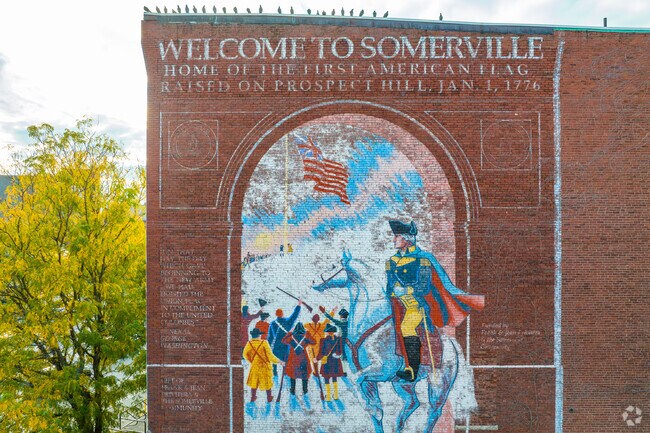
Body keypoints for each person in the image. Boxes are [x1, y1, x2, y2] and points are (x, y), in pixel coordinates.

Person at [386, 219, 485, 381]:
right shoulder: (392, 261)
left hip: (416, 305)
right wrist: (393, 291)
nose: (394, 240)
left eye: (397, 236)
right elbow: (389, 284)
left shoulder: (422, 259)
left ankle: (412, 370)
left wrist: (406, 290)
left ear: (406, 239)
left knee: (407, 327)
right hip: (397, 304)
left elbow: (424, 286)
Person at [243, 328, 283, 403]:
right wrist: (279, 361)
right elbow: (270, 356)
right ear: (259, 335)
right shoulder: (264, 343)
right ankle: (269, 397)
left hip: (255, 366)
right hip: (264, 367)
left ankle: (253, 397)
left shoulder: (249, 343)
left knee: (254, 382)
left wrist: (252, 361)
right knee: (267, 382)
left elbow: (245, 354)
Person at [281, 322, 315, 398]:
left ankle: (292, 390)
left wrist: (290, 333)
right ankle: (305, 390)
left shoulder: (291, 337)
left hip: (293, 358)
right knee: (304, 374)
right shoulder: (305, 336)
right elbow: (314, 342)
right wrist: (308, 334)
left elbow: (283, 341)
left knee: (293, 374)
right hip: (303, 358)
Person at [268, 301, 302, 375]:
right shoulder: (287, 321)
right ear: (282, 314)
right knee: (286, 358)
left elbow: (270, 337)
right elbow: (294, 315)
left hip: (276, 344)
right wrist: (299, 305)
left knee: (275, 358)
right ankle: (285, 372)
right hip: (285, 344)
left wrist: (269, 346)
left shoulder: (272, 323)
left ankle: (274, 371)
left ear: (276, 314)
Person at [317, 324, 345, 401]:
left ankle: (330, 396)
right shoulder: (338, 339)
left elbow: (321, 352)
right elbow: (340, 351)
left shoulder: (324, 340)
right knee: (333, 377)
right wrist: (337, 354)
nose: (330, 333)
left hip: (328, 362)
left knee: (328, 378)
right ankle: (333, 395)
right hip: (334, 361)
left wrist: (317, 359)